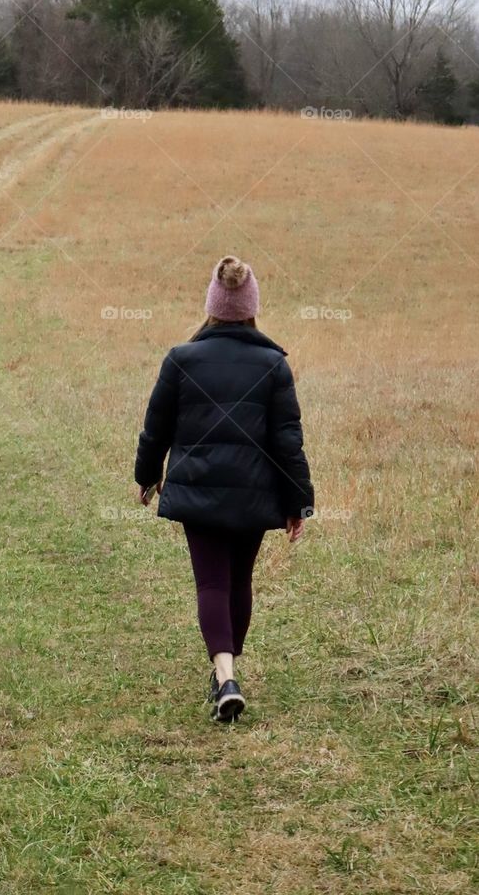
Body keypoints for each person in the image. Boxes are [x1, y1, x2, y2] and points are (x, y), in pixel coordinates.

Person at [134, 255, 314, 722]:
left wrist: (147, 475)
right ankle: (226, 674)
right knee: (239, 581)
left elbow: (156, 427)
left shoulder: (182, 359)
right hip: (255, 493)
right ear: (252, 307)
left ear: (212, 305)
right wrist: (300, 502)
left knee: (211, 581)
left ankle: (225, 675)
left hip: (198, 491)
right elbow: (287, 440)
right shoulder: (273, 365)